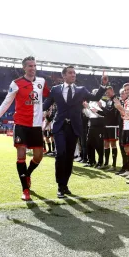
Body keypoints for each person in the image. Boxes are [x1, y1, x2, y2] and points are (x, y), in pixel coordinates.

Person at [0, 56, 49, 201]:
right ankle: (25, 189)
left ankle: (27, 174)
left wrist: (45, 109)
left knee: (38, 156)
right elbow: (7, 101)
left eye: (34, 65)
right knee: (21, 155)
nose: (33, 68)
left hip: (36, 126)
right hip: (21, 124)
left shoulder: (41, 82)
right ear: (24, 68)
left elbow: (50, 96)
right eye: (29, 66)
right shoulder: (16, 83)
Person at [43, 66, 108, 198]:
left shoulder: (81, 90)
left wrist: (103, 85)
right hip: (60, 126)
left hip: (73, 127)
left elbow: (95, 97)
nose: (73, 75)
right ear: (64, 76)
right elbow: (46, 104)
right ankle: (60, 185)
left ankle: (65, 185)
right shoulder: (55, 90)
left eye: (74, 73)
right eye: (70, 73)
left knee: (69, 157)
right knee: (60, 154)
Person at [114, 83, 129, 178]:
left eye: (128, 89)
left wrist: (120, 108)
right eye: (125, 90)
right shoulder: (127, 100)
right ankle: (128, 169)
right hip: (125, 126)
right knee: (126, 149)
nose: (126, 91)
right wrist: (120, 109)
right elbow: (124, 115)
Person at [83, 90, 106, 169]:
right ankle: (91, 161)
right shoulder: (91, 102)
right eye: (93, 93)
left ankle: (100, 162)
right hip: (92, 124)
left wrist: (88, 107)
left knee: (99, 144)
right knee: (89, 143)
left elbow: (99, 113)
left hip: (99, 124)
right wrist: (85, 108)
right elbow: (88, 114)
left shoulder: (102, 102)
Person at [100, 86, 120, 171]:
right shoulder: (108, 101)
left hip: (113, 125)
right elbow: (106, 113)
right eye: (106, 93)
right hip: (106, 125)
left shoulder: (116, 99)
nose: (106, 94)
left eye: (108, 92)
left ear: (112, 90)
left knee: (113, 144)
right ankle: (106, 163)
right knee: (106, 144)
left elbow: (111, 113)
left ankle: (114, 165)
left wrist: (101, 107)